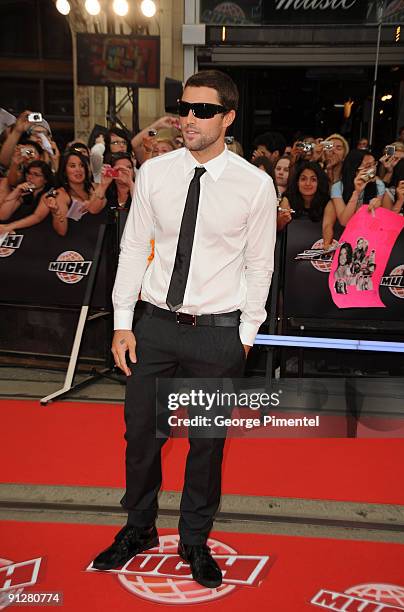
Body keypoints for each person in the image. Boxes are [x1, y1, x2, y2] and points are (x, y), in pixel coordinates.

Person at [92, 69, 277, 588]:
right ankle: (139, 528)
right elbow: (132, 249)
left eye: (202, 110)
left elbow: (260, 266)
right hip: (155, 328)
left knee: (206, 444)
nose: (187, 118)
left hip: (217, 334)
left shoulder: (254, 186)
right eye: (183, 107)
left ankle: (195, 539)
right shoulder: (155, 174)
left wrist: (245, 335)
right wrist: (124, 323)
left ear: (228, 117)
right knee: (141, 439)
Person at [329, 150, 385, 227]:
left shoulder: (379, 185)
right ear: (354, 170)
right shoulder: (337, 187)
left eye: (374, 164)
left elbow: (376, 220)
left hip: (367, 229)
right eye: (368, 166)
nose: (373, 169)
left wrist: (376, 206)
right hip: (343, 232)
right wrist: (357, 193)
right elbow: (344, 221)